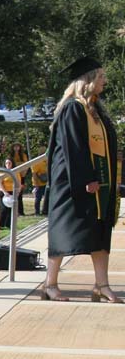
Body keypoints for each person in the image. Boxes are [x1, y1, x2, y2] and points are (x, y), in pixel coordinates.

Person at [42, 56, 120, 303]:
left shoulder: (94, 109)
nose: (105, 81)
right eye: (101, 77)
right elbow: (73, 147)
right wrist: (87, 177)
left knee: (100, 230)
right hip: (72, 183)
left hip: (98, 182)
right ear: (88, 80)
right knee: (64, 231)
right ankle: (50, 284)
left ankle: (101, 285)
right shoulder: (73, 108)